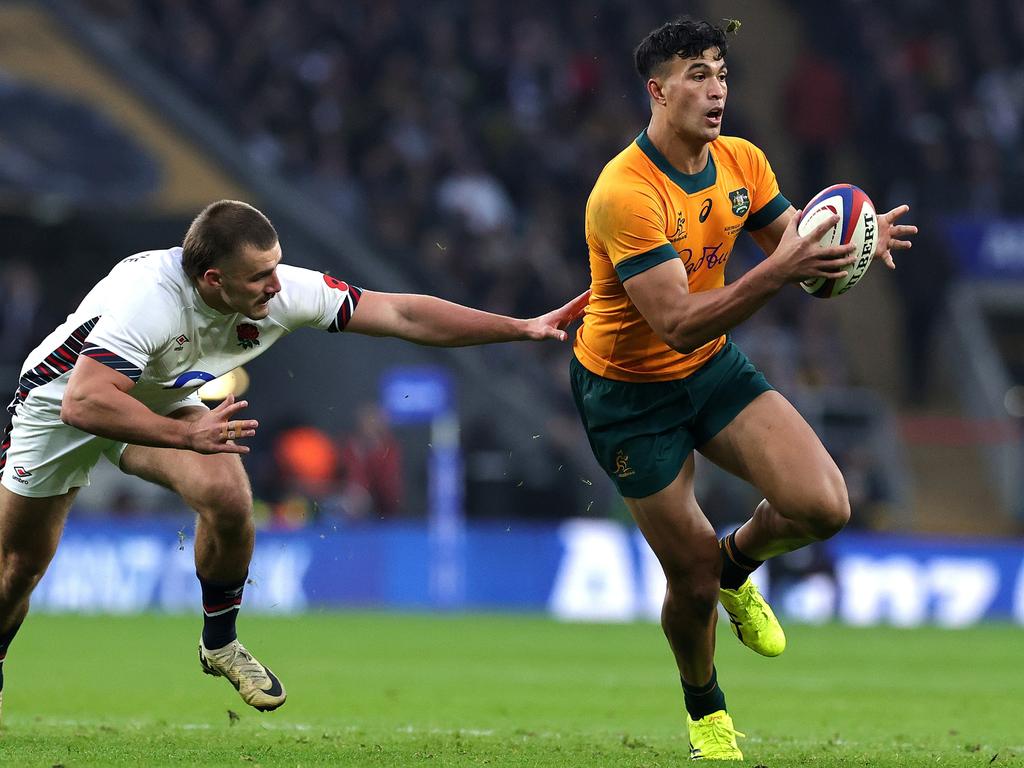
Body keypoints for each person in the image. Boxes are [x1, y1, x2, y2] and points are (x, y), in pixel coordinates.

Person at [0, 199, 588, 719]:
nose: (276, 286)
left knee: (230, 497)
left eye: (276, 266)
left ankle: (221, 643)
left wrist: (518, 327)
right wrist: (185, 437)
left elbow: (401, 314)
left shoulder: (280, 290)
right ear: (212, 280)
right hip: (60, 407)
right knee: (18, 569)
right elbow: (84, 400)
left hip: (163, 398)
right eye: (259, 277)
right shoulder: (149, 301)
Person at [569, 18, 916, 760]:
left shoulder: (744, 162)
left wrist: (848, 248)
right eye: (697, 73)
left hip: (713, 369)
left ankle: (738, 564)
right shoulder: (624, 193)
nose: (717, 86)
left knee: (824, 506)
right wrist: (784, 268)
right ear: (658, 91)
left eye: (721, 71)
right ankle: (707, 710)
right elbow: (677, 323)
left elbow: (795, 250)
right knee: (685, 580)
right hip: (629, 394)